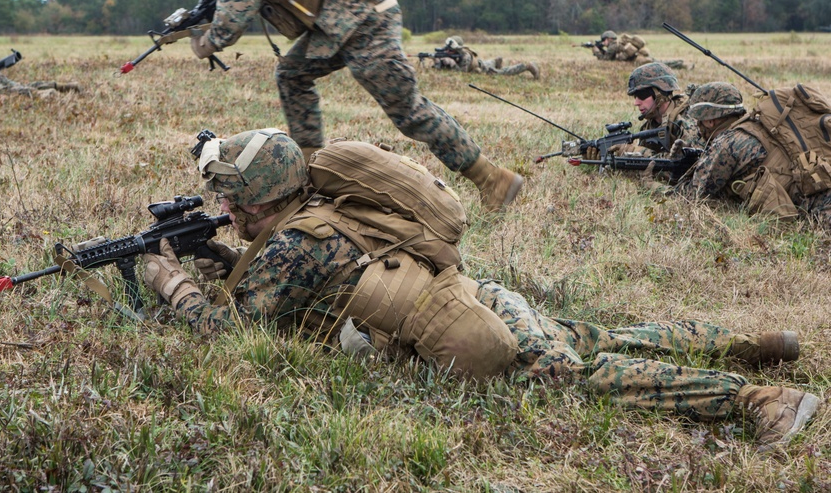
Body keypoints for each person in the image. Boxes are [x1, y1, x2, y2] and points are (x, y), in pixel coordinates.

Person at [141, 127, 821, 449]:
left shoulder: (294, 242)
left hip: (472, 324)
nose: (226, 209)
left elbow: (223, 334)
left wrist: (172, 282)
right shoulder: (318, 212)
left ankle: (762, 395)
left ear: (263, 195)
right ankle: (749, 341)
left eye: (233, 199)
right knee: (593, 335)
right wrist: (223, 255)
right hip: (477, 297)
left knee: (579, 373)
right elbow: (288, 288)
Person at [180, 0, 522, 214]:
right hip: (342, 24)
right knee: (292, 75)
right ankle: (306, 181)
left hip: (362, 22)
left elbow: (235, 16)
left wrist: (204, 42)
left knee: (409, 111)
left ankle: (494, 180)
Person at [675, 82, 831, 223]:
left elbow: (692, 197)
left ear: (710, 121)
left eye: (699, 121)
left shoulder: (727, 144)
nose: (698, 126)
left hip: (819, 211)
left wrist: (665, 177)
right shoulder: (758, 126)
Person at [608, 62, 703, 156]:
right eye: (635, 97)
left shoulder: (685, 123)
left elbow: (688, 163)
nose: (636, 103)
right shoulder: (650, 125)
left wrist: (640, 152)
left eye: (642, 95)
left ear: (660, 94)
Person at [430, 36, 540, 79]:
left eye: (449, 49)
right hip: (483, 63)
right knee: (488, 63)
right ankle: (495, 61)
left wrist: (452, 64)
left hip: (484, 69)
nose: (447, 51)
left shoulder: (465, 56)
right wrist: (436, 61)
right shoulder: (456, 53)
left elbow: (462, 74)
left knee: (504, 72)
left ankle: (527, 66)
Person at [589, 31, 691, 70]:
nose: (603, 43)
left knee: (663, 65)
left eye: (604, 40)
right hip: (641, 57)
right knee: (661, 63)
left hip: (639, 60)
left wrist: (596, 50)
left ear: (608, 39)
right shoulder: (617, 44)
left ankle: (682, 64)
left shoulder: (613, 46)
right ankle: (681, 63)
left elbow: (606, 59)